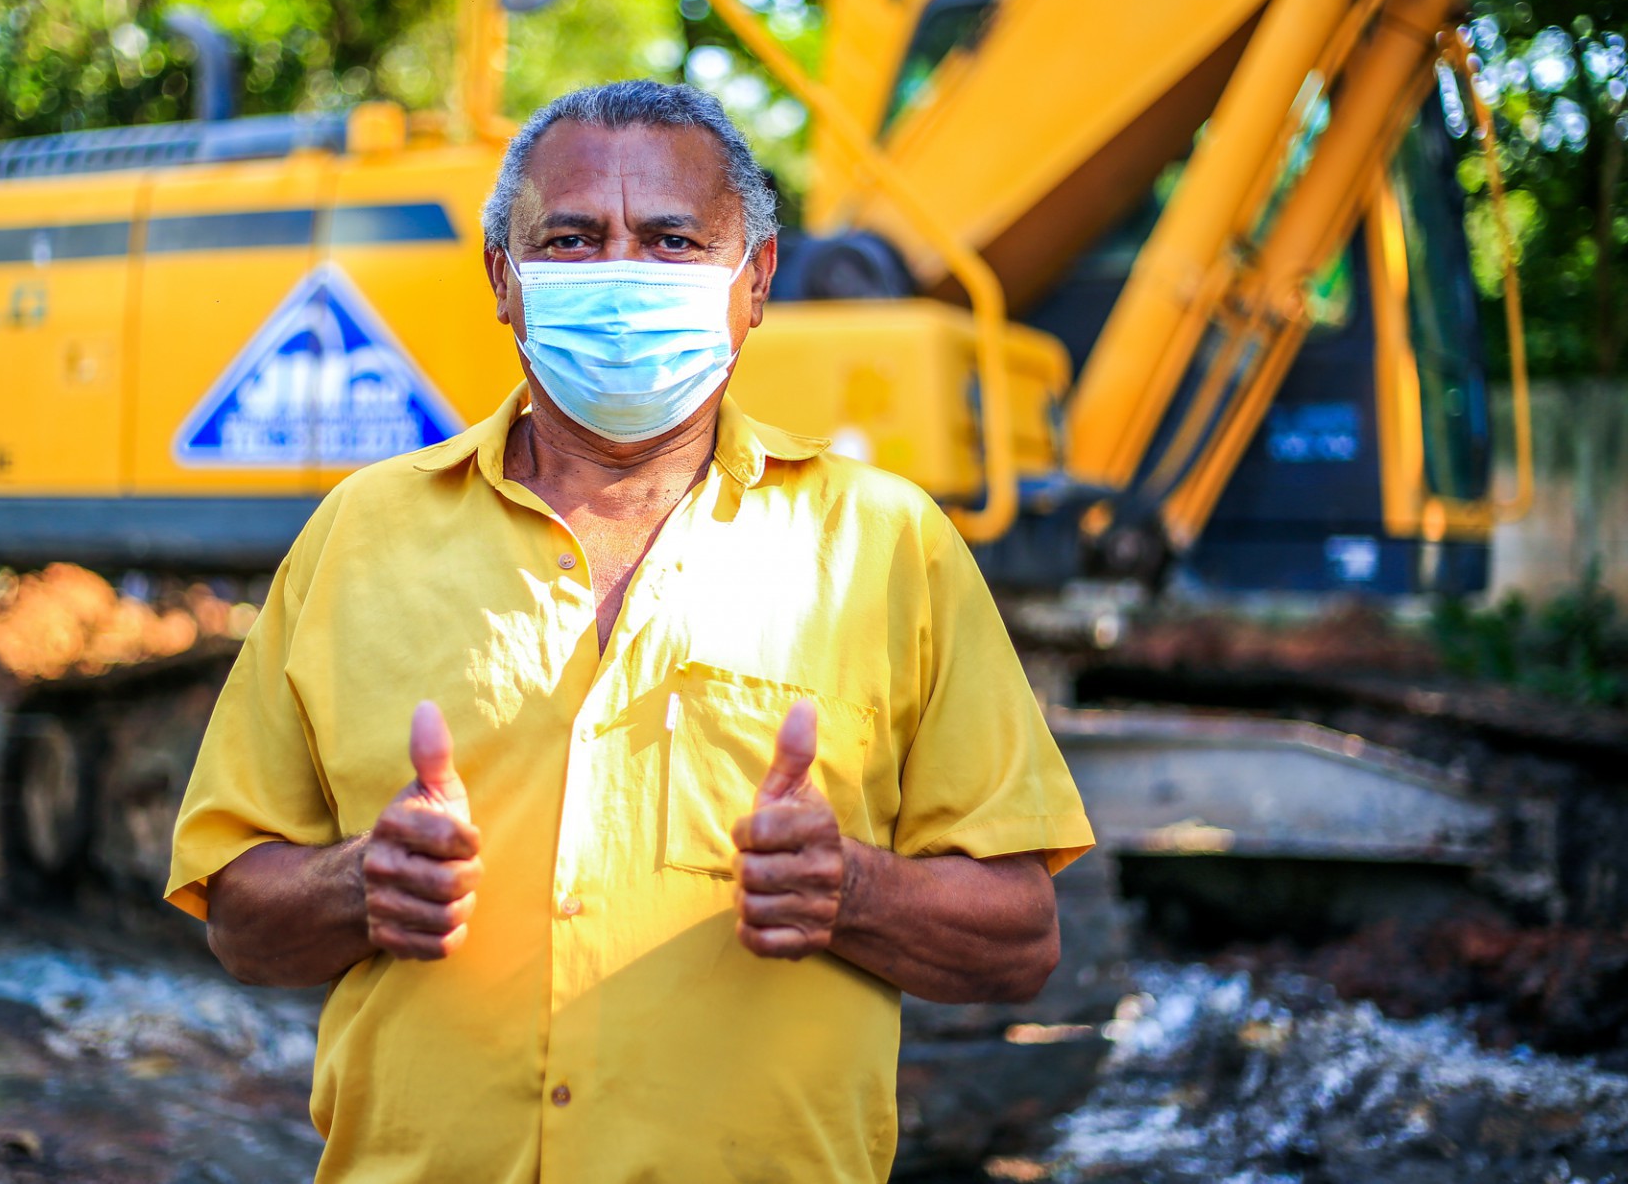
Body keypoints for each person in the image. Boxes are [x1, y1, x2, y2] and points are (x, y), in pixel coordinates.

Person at [165, 79, 1093, 1183]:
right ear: (503, 284)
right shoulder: (356, 538)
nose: (620, 274)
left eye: (671, 239)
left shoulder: (890, 546)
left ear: (755, 282)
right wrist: (357, 883)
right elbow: (237, 916)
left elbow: (1023, 938)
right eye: (570, 238)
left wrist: (854, 889)